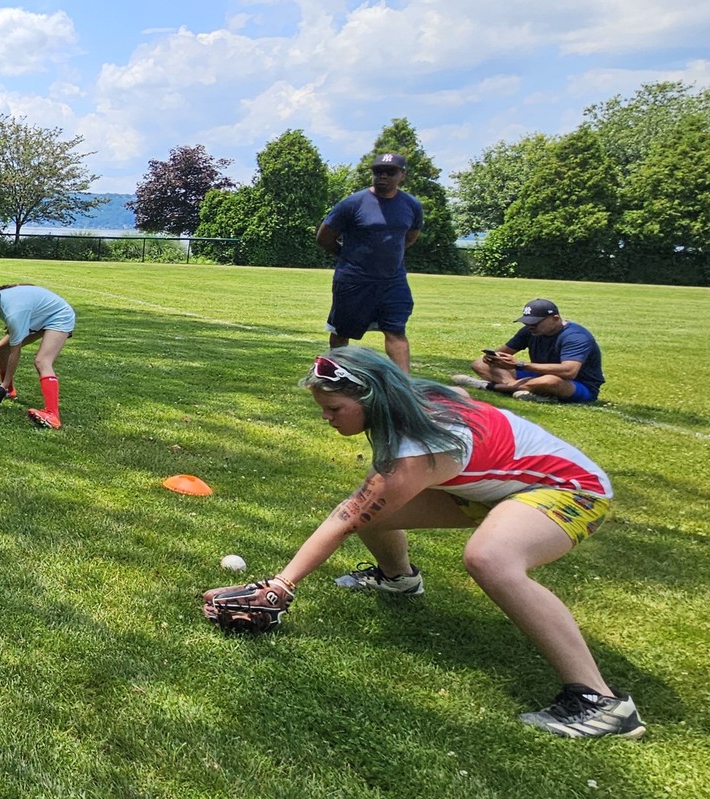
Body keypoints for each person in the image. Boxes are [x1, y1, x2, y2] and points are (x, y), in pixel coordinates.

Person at [203, 347, 642, 739]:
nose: (326, 417)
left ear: (370, 399)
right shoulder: (411, 400)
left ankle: (600, 702)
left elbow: (346, 517)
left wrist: (280, 587)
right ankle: (398, 579)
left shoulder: (419, 450)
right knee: (376, 509)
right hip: (496, 489)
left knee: (489, 558)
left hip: (571, 490)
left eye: (334, 408)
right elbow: (461, 398)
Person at [316, 152, 423, 371]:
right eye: (378, 171)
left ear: (402, 175)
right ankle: (335, 374)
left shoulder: (411, 205)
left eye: (390, 172)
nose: (383, 176)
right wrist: (348, 257)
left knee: (395, 330)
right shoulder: (352, 203)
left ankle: (404, 383)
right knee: (342, 331)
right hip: (354, 280)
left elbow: (410, 237)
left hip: (393, 281)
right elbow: (324, 237)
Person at [454, 298, 605, 404]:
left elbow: (569, 371)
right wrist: (493, 358)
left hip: (578, 384)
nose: (530, 326)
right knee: (479, 364)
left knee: (549, 381)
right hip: (538, 375)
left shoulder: (576, 336)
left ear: (555, 318)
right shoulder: (530, 331)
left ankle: (488, 386)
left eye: (535, 322)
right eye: (527, 322)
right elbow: (503, 351)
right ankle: (521, 389)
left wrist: (520, 365)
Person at [0, 282, 77, 429]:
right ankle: (9, 390)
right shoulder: (1, 301)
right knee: (2, 348)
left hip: (59, 316)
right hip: (40, 316)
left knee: (42, 361)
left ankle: (53, 415)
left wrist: (3, 383)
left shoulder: (11, 311)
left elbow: (15, 351)